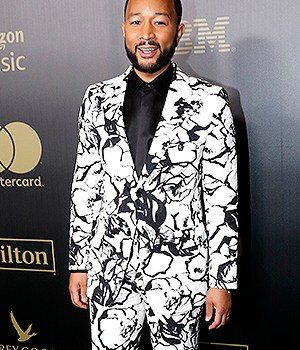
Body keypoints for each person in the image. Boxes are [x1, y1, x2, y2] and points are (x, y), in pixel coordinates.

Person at [68, 0, 239, 349]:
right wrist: (80, 262)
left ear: (178, 30)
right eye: (136, 22)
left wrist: (221, 280)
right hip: (109, 272)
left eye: (159, 22)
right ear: (124, 29)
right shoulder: (96, 99)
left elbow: (222, 196)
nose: (146, 34)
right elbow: (85, 184)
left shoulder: (210, 102)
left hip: (181, 276)